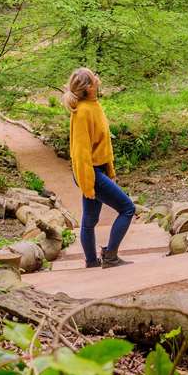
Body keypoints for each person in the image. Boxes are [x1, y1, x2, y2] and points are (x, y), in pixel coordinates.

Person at [64, 66, 134, 268]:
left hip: (98, 169)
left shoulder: (94, 105)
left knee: (90, 220)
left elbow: (104, 144)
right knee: (127, 208)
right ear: (88, 87)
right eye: (93, 76)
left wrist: (109, 169)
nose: (97, 77)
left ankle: (92, 262)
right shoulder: (82, 112)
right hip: (89, 172)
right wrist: (87, 184)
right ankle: (110, 257)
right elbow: (80, 152)